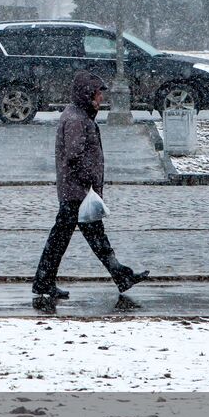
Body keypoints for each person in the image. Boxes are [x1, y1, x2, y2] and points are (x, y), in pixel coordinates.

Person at [32, 71, 150, 305]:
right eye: (98, 94)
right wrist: (89, 182)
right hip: (77, 193)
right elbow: (74, 155)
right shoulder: (77, 120)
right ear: (87, 95)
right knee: (77, 239)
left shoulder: (81, 115)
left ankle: (46, 281)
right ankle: (118, 276)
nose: (101, 99)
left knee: (77, 238)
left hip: (77, 192)